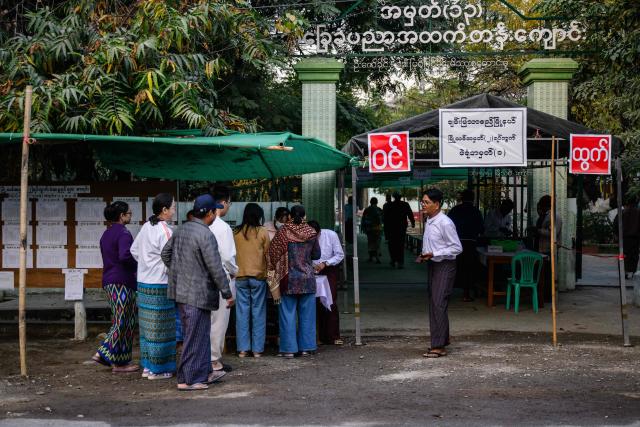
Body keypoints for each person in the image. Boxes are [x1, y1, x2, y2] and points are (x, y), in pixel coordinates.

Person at [161, 194, 233, 391]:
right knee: (196, 336)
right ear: (210, 213)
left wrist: (180, 271)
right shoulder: (205, 234)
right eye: (214, 212)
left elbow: (165, 254)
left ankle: (199, 374)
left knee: (195, 335)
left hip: (181, 292)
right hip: (198, 294)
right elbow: (215, 267)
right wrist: (227, 293)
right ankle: (190, 380)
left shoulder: (181, 229)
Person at [130, 193, 176, 380]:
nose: (174, 210)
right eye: (173, 207)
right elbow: (171, 258)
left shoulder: (146, 226)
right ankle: (160, 369)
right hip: (160, 284)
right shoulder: (166, 231)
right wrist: (160, 268)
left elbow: (134, 250)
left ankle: (148, 367)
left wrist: (146, 265)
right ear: (164, 210)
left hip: (143, 283)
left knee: (148, 329)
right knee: (161, 328)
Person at [267, 205, 321, 358]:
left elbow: (272, 254)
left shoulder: (283, 232)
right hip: (307, 279)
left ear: (289, 216)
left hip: (288, 279)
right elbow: (317, 254)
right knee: (307, 316)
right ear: (305, 216)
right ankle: (306, 348)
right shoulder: (311, 232)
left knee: (287, 315)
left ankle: (289, 349)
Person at [93, 201, 138, 373]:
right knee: (123, 321)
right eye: (129, 213)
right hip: (122, 281)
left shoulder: (106, 234)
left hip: (110, 281)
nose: (130, 215)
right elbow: (125, 256)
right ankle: (102, 352)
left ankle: (120, 363)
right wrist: (138, 266)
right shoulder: (124, 233)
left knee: (124, 321)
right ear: (122, 216)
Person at [417, 189, 462, 358]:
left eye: (427, 202)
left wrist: (434, 254)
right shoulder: (429, 220)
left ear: (437, 205)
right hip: (433, 265)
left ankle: (438, 346)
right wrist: (425, 254)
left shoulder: (445, 222)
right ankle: (442, 338)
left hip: (445, 265)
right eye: (423, 202)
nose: (423, 205)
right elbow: (432, 244)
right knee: (434, 303)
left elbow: (457, 247)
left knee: (438, 303)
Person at [233, 203, 270, 357]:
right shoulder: (262, 231)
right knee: (258, 313)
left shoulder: (235, 232)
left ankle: (243, 349)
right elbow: (268, 254)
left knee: (242, 313)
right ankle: (257, 350)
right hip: (258, 277)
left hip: (240, 276)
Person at [209, 185, 238, 371]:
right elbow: (228, 257)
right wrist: (234, 270)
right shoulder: (223, 227)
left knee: (206, 320)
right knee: (219, 320)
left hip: (202, 278)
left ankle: (205, 356)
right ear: (224, 202)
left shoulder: (202, 223)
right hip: (221, 277)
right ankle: (213, 359)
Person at [308, 220, 344, 345]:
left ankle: (333, 335)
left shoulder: (330, 235)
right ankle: (319, 336)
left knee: (331, 301)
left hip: (329, 269)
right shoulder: (305, 237)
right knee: (315, 303)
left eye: (315, 235)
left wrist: (326, 263)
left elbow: (339, 255)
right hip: (312, 270)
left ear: (319, 232)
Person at [447, 189, 484, 302]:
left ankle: (447, 292)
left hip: (455, 243)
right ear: (473, 199)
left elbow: (447, 226)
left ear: (461, 198)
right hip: (470, 243)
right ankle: (466, 293)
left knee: (454, 267)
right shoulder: (476, 211)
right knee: (468, 268)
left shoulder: (454, 210)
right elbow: (481, 229)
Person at [383, 192, 415, 268]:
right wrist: (413, 222)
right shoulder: (405, 204)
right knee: (400, 245)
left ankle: (393, 260)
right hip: (401, 228)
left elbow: (385, 218)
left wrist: (385, 229)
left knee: (392, 245)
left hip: (391, 228)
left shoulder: (388, 205)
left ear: (394, 197)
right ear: (400, 197)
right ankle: (400, 262)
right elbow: (410, 214)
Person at [614, 196, 640, 280]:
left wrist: (616, 235)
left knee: (622, 255)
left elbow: (615, 225)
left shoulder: (622, 212)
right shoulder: (638, 212)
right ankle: (631, 272)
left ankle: (623, 271)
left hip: (623, 239)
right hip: (635, 239)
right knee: (633, 256)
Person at [362, 198, 383, 263]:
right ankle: (377, 258)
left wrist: (364, 228)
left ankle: (371, 257)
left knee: (370, 243)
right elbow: (382, 219)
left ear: (370, 202)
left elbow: (364, 219)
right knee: (377, 243)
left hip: (370, 229)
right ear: (377, 202)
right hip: (378, 229)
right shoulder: (379, 209)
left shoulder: (367, 209)